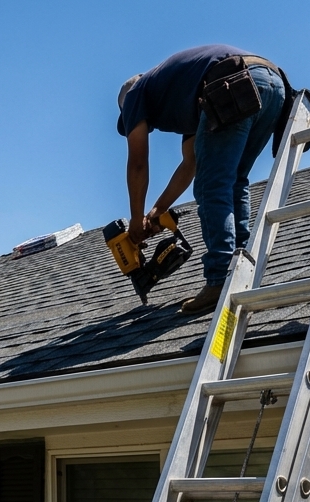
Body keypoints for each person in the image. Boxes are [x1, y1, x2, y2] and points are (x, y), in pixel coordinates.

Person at [118, 45, 288, 314]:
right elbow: (192, 163)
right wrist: (157, 210)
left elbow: (138, 162)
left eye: (128, 118)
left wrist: (136, 220)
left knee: (212, 186)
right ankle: (242, 268)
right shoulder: (181, 92)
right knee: (233, 180)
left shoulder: (136, 93)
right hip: (272, 84)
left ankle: (220, 277)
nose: (136, 124)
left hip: (230, 83)